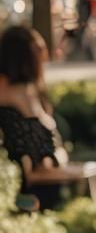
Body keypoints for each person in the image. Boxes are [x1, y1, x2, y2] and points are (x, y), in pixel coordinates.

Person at [0, 25, 69, 209]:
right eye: (38, 49)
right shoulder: (10, 89)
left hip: (40, 180)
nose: (44, 55)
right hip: (25, 188)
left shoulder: (31, 89)